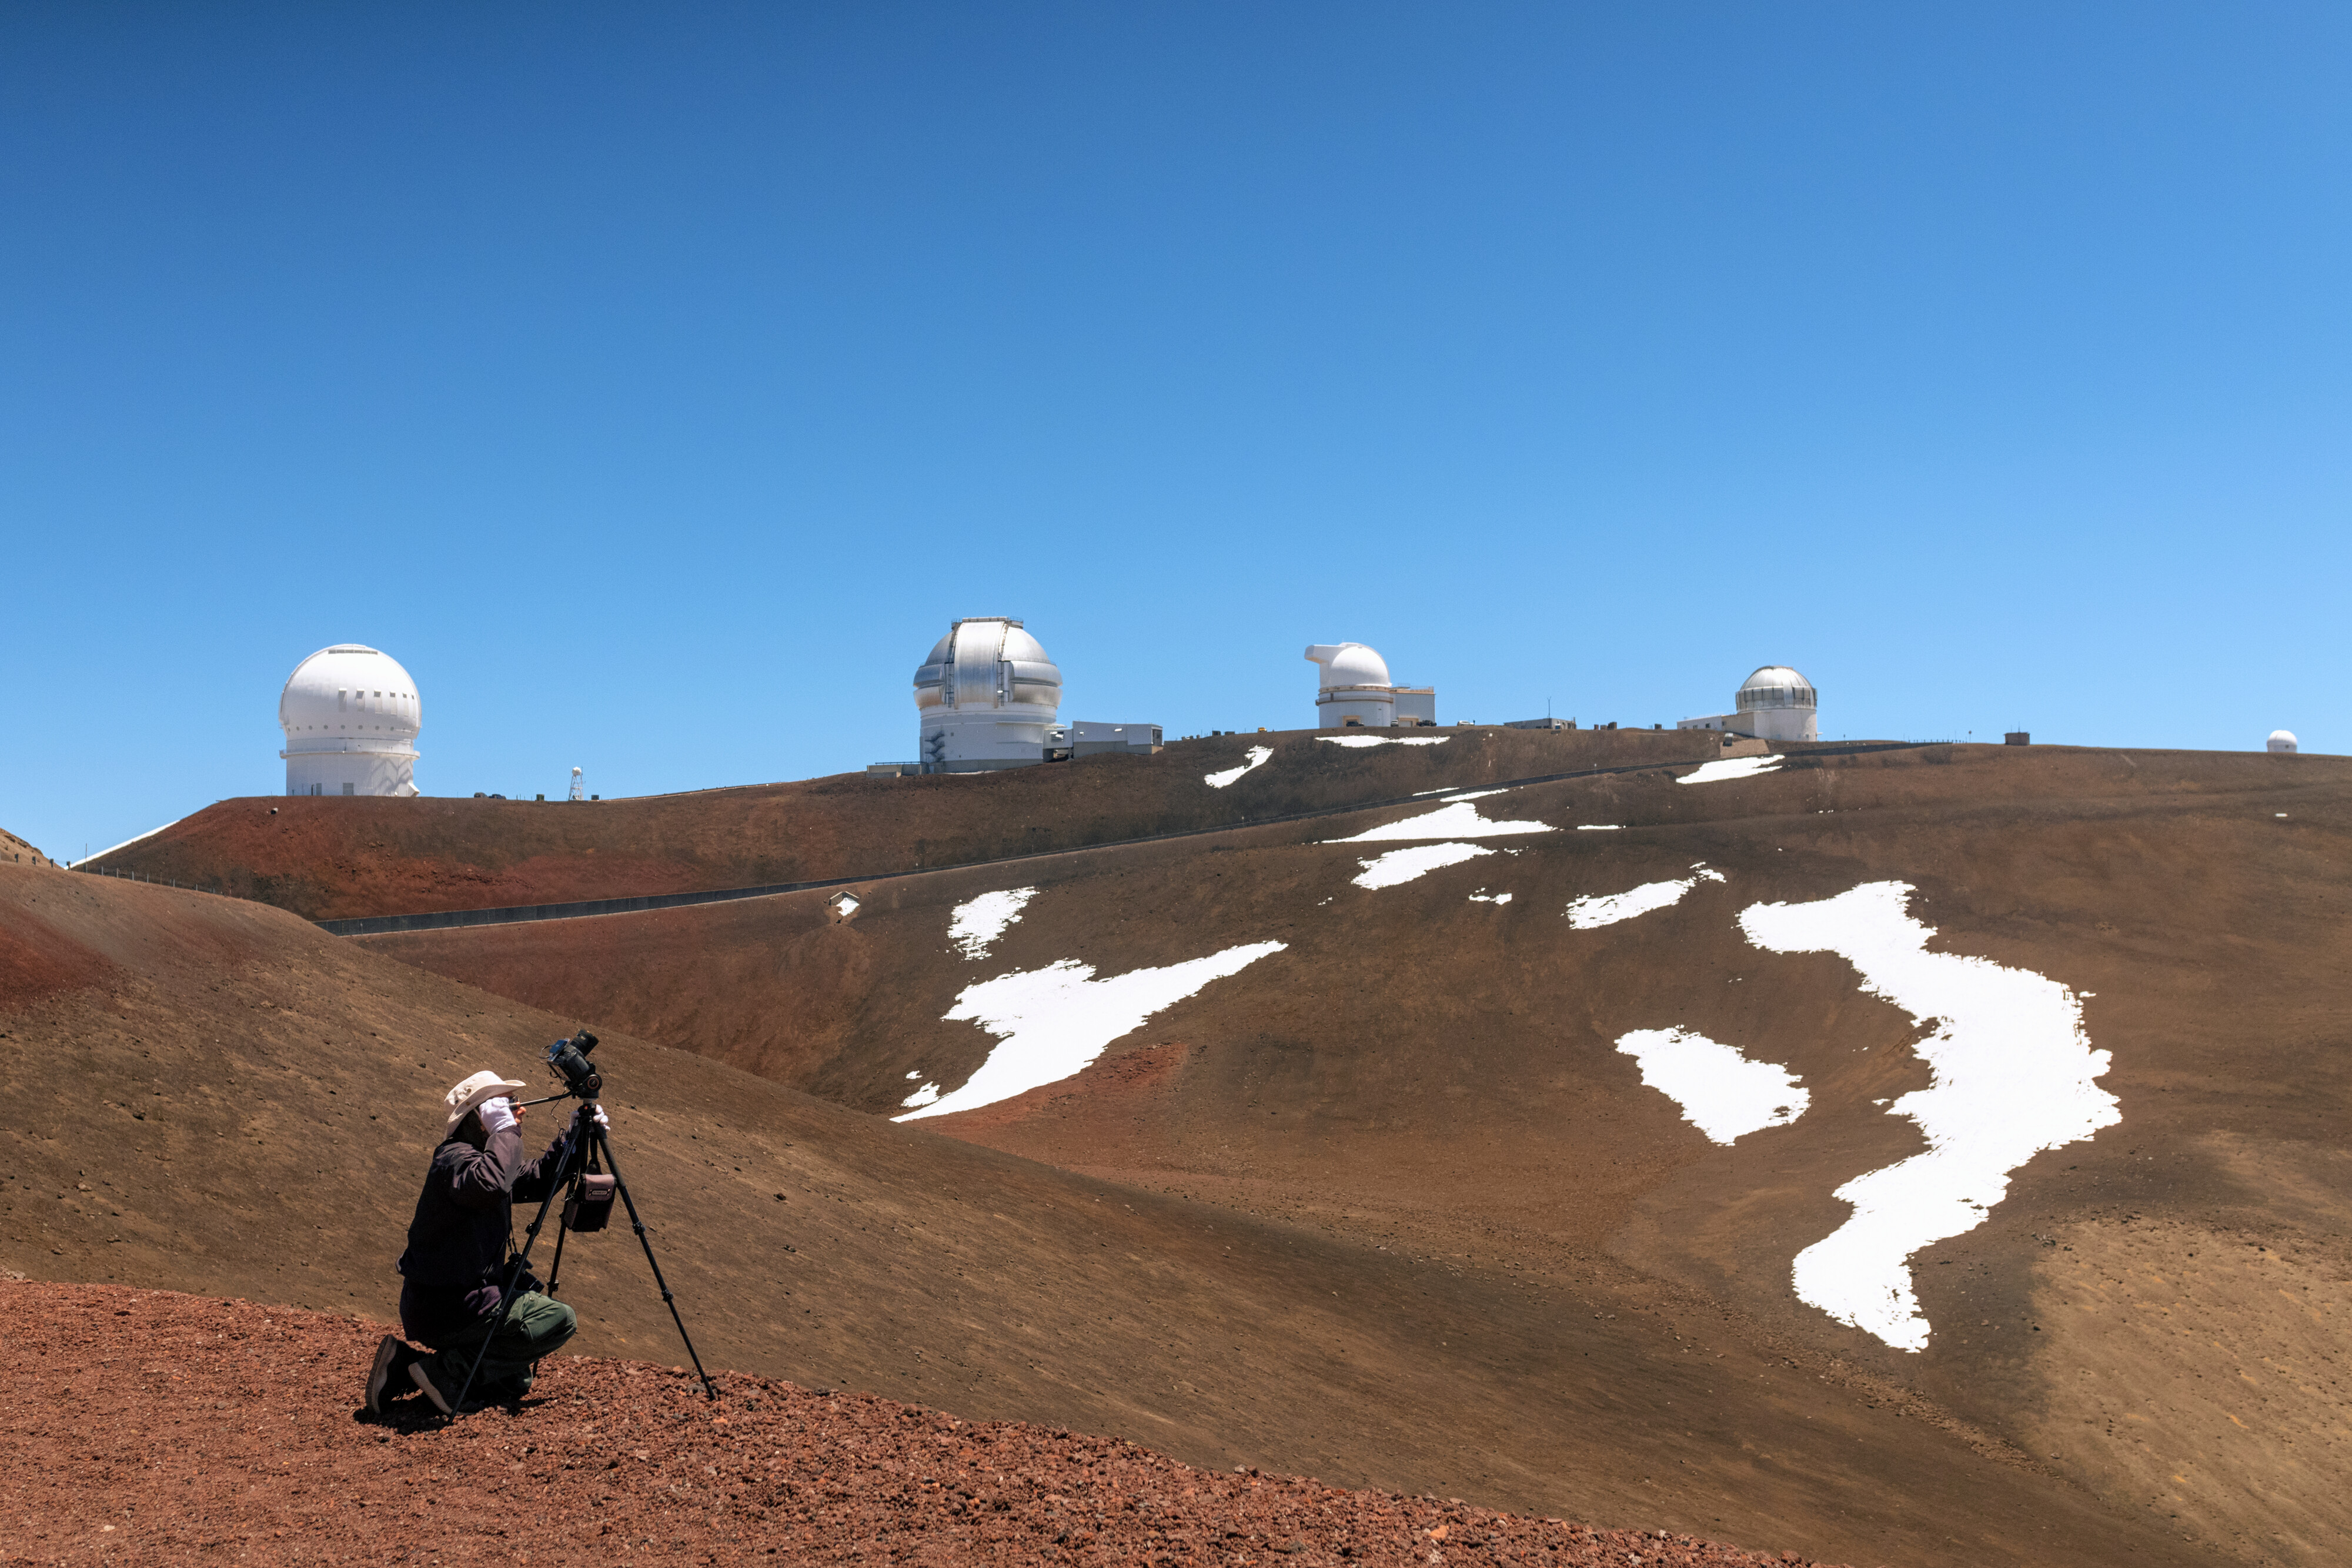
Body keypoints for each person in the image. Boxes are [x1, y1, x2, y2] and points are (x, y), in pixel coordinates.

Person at [363, 1069, 604, 1415]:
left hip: (453, 1304)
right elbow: (490, 1184)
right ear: (481, 1117)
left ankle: (404, 1366)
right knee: (560, 1320)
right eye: (505, 1106)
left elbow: (537, 1180)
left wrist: (574, 1140)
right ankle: (443, 1373)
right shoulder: (455, 1159)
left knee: (516, 1381)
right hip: (451, 1308)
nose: (518, 1111)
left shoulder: (482, 1161)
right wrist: (504, 1131)